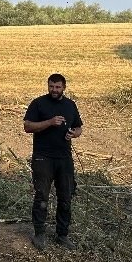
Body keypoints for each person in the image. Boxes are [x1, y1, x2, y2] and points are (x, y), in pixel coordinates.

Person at [23, 73, 84, 251]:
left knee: (66, 197)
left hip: (64, 159)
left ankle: (62, 235)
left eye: (57, 87)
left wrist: (75, 133)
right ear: (48, 86)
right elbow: (27, 126)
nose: (54, 90)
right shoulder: (38, 104)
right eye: (51, 86)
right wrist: (50, 122)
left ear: (64, 87)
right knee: (42, 196)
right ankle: (39, 234)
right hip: (43, 157)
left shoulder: (70, 105)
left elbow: (79, 127)